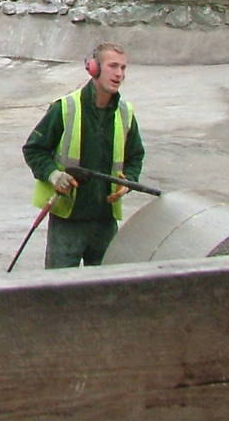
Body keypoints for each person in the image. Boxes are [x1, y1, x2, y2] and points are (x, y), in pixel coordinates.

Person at [22, 42, 145, 269]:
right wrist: (53, 175)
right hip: (68, 219)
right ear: (93, 68)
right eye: (113, 66)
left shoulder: (125, 112)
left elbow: (135, 156)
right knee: (60, 292)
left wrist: (128, 180)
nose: (119, 74)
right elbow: (34, 149)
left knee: (104, 294)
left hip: (105, 221)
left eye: (124, 68)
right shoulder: (66, 108)